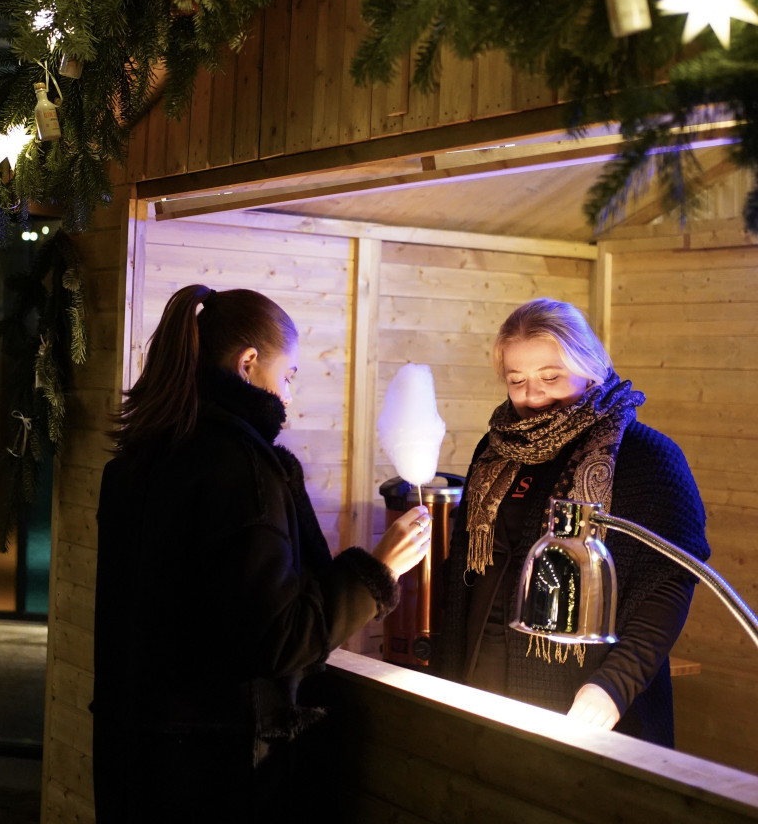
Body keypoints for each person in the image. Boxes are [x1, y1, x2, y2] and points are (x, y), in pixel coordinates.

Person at [92, 284, 430, 823]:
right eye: (289, 375)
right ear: (248, 363)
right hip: (215, 773)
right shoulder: (240, 470)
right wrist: (379, 569)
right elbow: (280, 638)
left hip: (136, 758)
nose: (289, 396)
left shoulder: (138, 460)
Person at [434, 297, 709, 747]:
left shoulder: (647, 457)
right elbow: (466, 570)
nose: (532, 395)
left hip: (584, 697)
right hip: (479, 681)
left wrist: (614, 685)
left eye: (551, 377)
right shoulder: (494, 450)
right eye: (516, 380)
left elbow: (668, 587)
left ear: (590, 367)